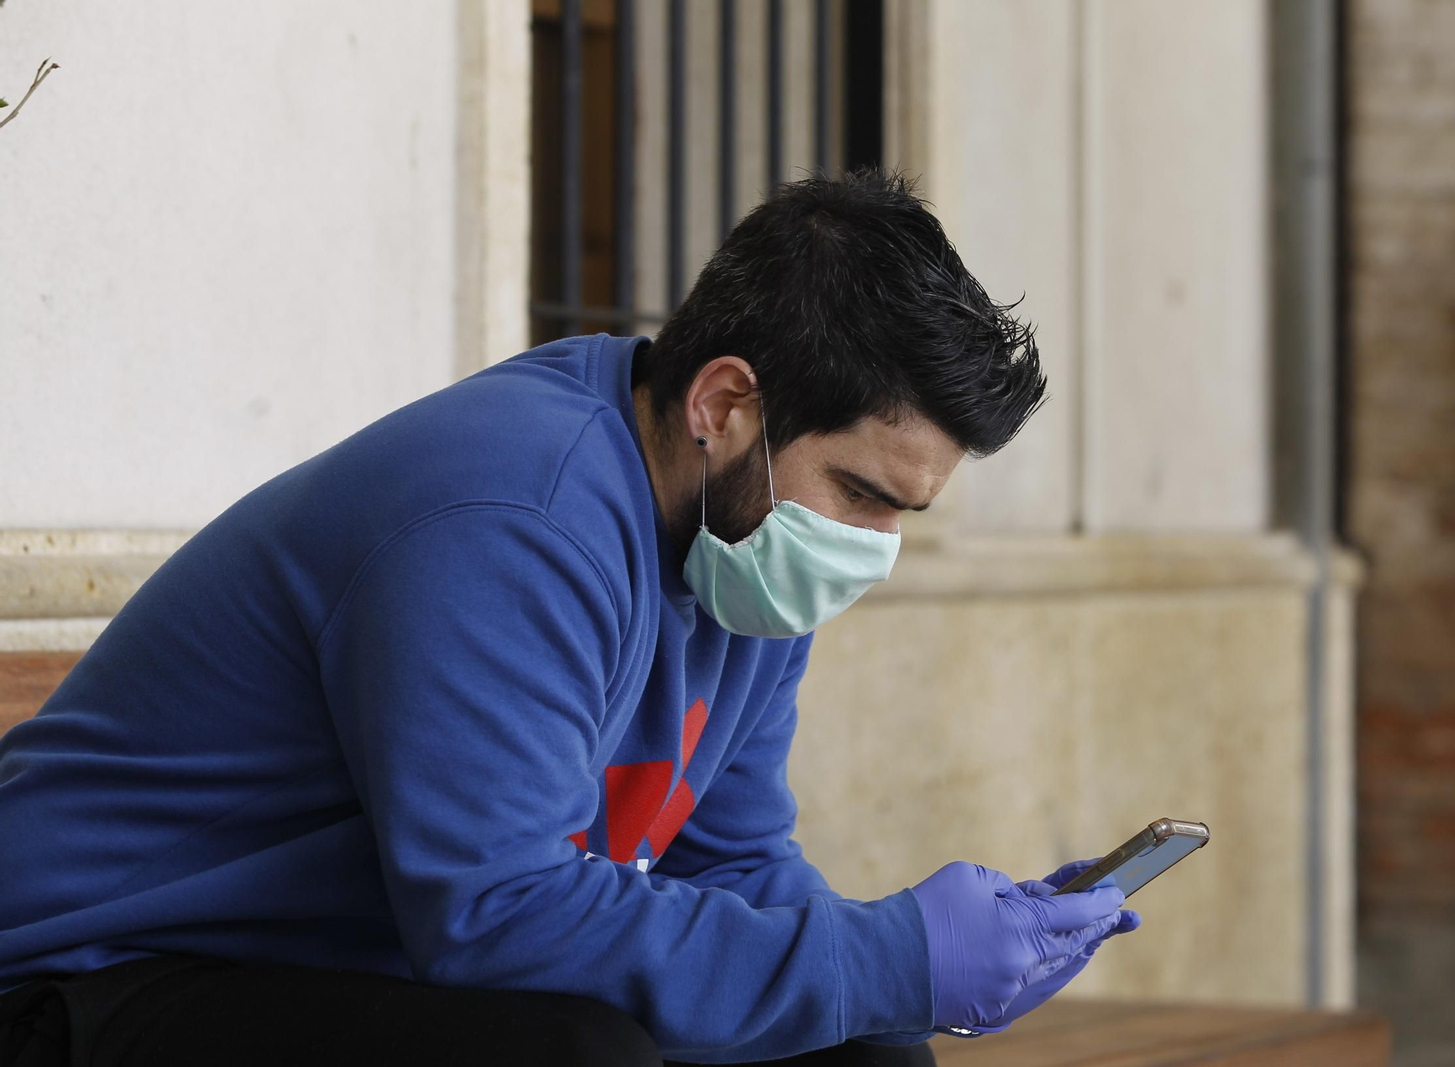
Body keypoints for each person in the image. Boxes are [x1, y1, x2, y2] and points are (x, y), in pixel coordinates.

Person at [0, 170, 1140, 1066]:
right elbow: (495, 917)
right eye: (861, 494)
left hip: (325, 969)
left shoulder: (745, 544)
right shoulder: (512, 515)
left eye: (902, 512)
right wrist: (888, 954)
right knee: (570, 1051)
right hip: (85, 975)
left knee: (859, 1047)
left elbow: (729, 858)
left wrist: (930, 962)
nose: (870, 549)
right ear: (726, 404)